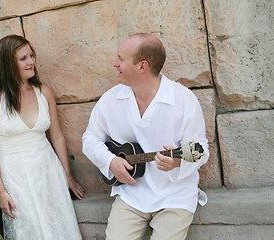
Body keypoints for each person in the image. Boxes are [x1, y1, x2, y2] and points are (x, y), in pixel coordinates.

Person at [82, 33, 209, 240]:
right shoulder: (111, 99)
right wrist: (110, 161)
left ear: (142, 67)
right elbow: (90, 138)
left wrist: (178, 162)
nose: (115, 64)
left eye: (121, 59)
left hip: (174, 196)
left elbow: (200, 149)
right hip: (132, 195)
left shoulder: (183, 99)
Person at [0, 34, 85, 239]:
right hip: (15, 175)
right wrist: (1, 192)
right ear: (8, 63)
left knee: (61, 229)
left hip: (48, 171)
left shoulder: (43, 92)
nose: (32, 62)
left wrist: (68, 177)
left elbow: (57, 137)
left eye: (31, 56)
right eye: (23, 58)